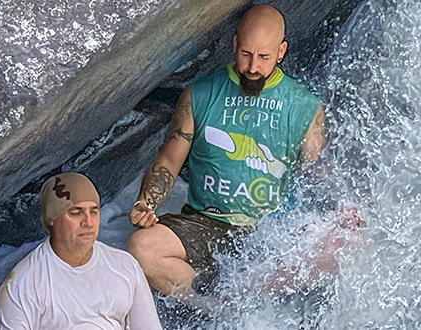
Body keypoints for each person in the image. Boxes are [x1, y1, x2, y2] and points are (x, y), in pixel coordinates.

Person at [127, 4, 365, 302]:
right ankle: (216, 309)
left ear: (281, 51)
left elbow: (317, 170)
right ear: (235, 44)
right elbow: (169, 161)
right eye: (246, 54)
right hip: (206, 222)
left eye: (264, 57)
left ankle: (238, 297)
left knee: (340, 246)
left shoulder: (304, 106)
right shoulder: (200, 94)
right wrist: (146, 202)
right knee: (142, 248)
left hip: (268, 229)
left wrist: (343, 206)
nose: (253, 67)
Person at [0, 172, 162, 330]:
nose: (88, 222)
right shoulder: (22, 285)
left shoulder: (125, 265)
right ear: (52, 218)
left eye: (94, 211)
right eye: (76, 212)